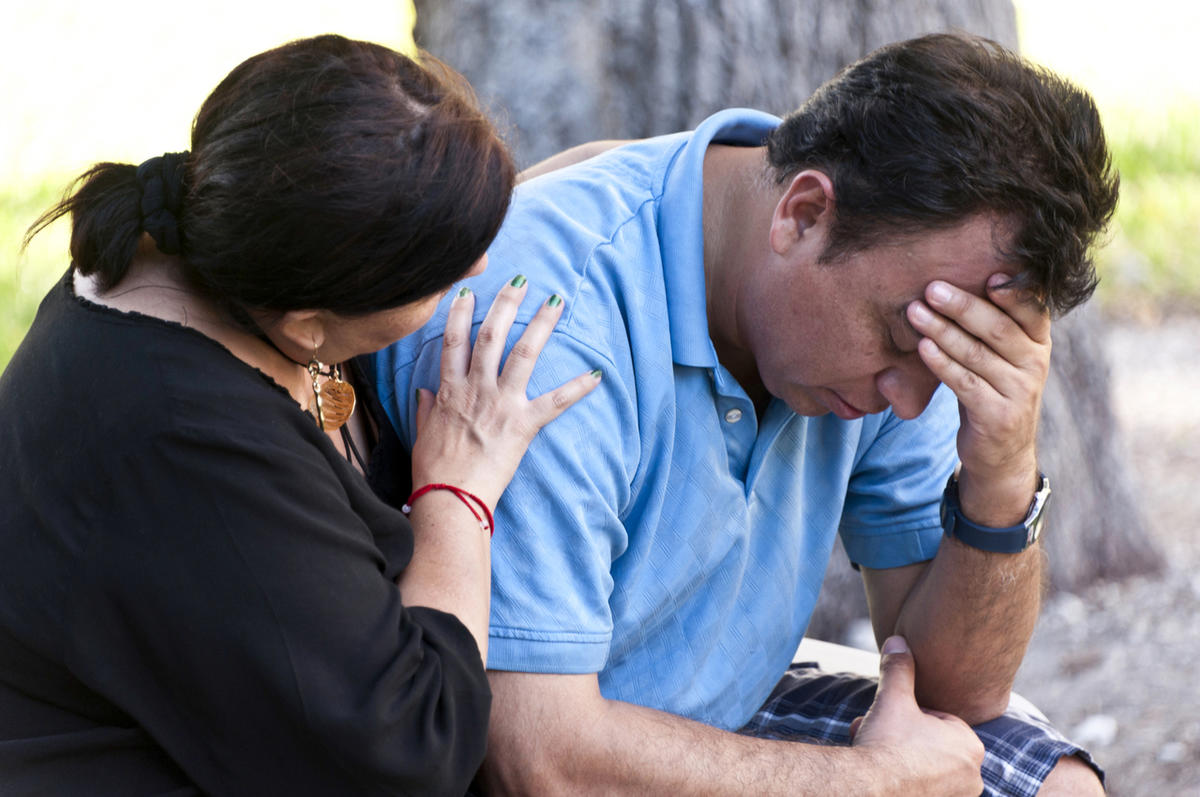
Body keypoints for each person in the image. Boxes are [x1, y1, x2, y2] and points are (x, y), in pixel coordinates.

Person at [373, 33, 1117, 796]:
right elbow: (539, 760)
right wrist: (866, 782)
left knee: (1053, 789)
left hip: (711, 712)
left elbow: (952, 695)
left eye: (949, 366)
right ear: (803, 214)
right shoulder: (549, 333)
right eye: (900, 343)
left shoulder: (906, 312)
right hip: (528, 746)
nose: (910, 401)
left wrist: (1001, 470)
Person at [0, 35, 599, 796]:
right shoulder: (190, 443)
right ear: (307, 325)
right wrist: (459, 493)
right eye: (439, 271)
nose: (477, 267)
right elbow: (412, 753)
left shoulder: (224, 244)